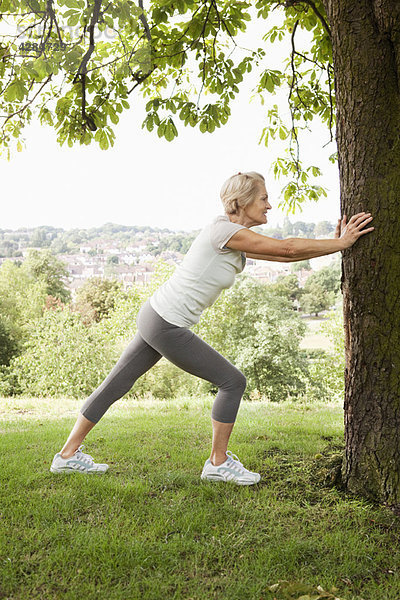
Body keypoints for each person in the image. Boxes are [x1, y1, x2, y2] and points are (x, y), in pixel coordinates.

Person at [50, 171, 374, 485]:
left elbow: (286, 257)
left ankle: (67, 455)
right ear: (242, 201)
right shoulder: (224, 231)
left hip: (156, 315)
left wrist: (334, 245)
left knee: (115, 385)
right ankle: (218, 463)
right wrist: (344, 243)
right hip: (166, 323)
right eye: (263, 198)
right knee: (232, 382)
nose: (269, 205)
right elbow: (286, 248)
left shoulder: (235, 237)